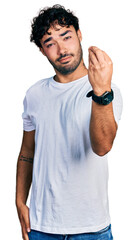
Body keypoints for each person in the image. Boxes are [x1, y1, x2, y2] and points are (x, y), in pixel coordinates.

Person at [15, 4, 123, 240]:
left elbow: (102, 146)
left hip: (91, 228)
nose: (62, 49)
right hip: (41, 228)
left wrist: (101, 91)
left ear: (79, 35)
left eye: (66, 36)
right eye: (50, 43)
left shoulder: (107, 90)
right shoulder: (34, 94)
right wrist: (20, 201)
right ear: (42, 50)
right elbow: (27, 151)